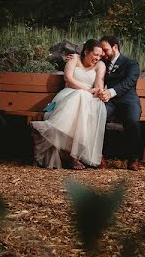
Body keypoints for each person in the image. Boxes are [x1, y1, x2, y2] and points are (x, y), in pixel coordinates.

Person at [31, 39, 107, 169]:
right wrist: (87, 90)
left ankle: (50, 127)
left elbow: (99, 85)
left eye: (100, 55)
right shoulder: (74, 59)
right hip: (67, 95)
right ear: (86, 52)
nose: (98, 58)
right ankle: (73, 157)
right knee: (79, 96)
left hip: (88, 99)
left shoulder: (100, 65)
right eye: (95, 54)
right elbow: (69, 79)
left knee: (82, 99)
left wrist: (94, 91)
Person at [96, 35, 143, 171]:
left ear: (115, 47)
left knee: (133, 121)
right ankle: (98, 156)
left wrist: (111, 92)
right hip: (108, 101)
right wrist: (74, 57)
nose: (103, 54)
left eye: (105, 50)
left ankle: (133, 159)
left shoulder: (131, 63)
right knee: (98, 116)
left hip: (128, 100)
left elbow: (129, 82)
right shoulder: (101, 63)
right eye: (102, 51)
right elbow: (87, 57)